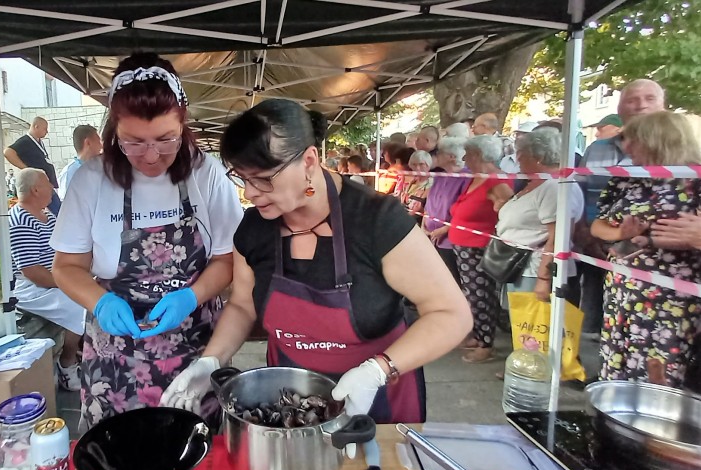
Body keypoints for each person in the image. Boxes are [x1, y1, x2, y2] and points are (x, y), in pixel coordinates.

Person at [161, 99, 472, 427]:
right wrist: (212, 359)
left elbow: (451, 314)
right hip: (289, 401)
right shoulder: (254, 229)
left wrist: (377, 370)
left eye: (263, 179)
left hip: (376, 399)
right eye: (242, 178)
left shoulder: (376, 221)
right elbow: (242, 305)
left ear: (309, 160)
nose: (251, 193)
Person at [50, 53, 243, 427]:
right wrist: (101, 302)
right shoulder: (90, 180)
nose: (151, 156)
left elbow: (228, 259)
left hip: (195, 345)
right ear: (113, 131)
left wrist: (192, 295)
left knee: (195, 457)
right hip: (114, 356)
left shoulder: (207, 175)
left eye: (166, 139)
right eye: (133, 142)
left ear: (183, 124)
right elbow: (66, 267)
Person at [590, 111, 701, 388]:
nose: (626, 148)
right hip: (622, 293)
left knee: (659, 379)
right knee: (617, 371)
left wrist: (694, 237)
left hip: (671, 302)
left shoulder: (696, 180)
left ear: (657, 141)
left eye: (633, 141)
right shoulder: (629, 179)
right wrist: (621, 234)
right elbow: (598, 226)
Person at [577, 80, 666, 354]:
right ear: (619, 108)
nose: (640, 105)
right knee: (604, 318)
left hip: (661, 276)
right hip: (598, 247)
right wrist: (586, 232)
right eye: (632, 99)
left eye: (649, 98)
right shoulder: (598, 149)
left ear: (664, 105)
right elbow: (579, 189)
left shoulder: (687, 162)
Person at [9, 168, 86, 391]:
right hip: (31, 288)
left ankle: (81, 353)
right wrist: (69, 282)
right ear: (35, 189)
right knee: (80, 304)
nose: (53, 188)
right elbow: (32, 271)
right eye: (48, 184)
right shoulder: (20, 220)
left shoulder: (46, 215)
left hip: (52, 279)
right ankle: (67, 365)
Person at [495, 129, 585, 305]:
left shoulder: (553, 186)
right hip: (522, 267)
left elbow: (558, 236)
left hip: (536, 271)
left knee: (535, 328)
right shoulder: (539, 183)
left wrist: (544, 278)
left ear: (539, 157)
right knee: (524, 328)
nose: (517, 158)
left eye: (522, 153)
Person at [449, 136, 514, 363]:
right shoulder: (478, 177)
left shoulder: (495, 180)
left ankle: (486, 344)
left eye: (469, 154)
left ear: (479, 155)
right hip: (465, 244)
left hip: (478, 246)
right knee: (474, 294)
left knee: (481, 294)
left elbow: (508, 208)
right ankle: (479, 335)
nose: (465, 159)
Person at [423, 137, 467, 285]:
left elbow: (462, 211)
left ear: (451, 157)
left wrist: (443, 230)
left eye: (439, 152)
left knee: (452, 281)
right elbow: (429, 203)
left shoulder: (466, 177)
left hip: (449, 240)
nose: (435, 156)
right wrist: (424, 226)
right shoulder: (439, 175)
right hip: (431, 237)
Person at [5, 117, 62, 215]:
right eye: (44, 129)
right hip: (39, 186)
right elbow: (8, 152)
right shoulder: (25, 141)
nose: (46, 132)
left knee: (57, 212)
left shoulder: (38, 141)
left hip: (47, 185)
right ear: (36, 127)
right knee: (58, 212)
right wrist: (26, 169)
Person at [58, 125, 101, 200]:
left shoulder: (96, 168)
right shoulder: (71, 172)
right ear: (88, 143)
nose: (101, 146)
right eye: (98, 142)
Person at [400, 150, 433, 218]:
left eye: (421, 164)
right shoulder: (411, 182)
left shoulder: (432, 183)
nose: (417, 168)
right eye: (414, 164)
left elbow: (420, 208)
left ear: (428, 165)